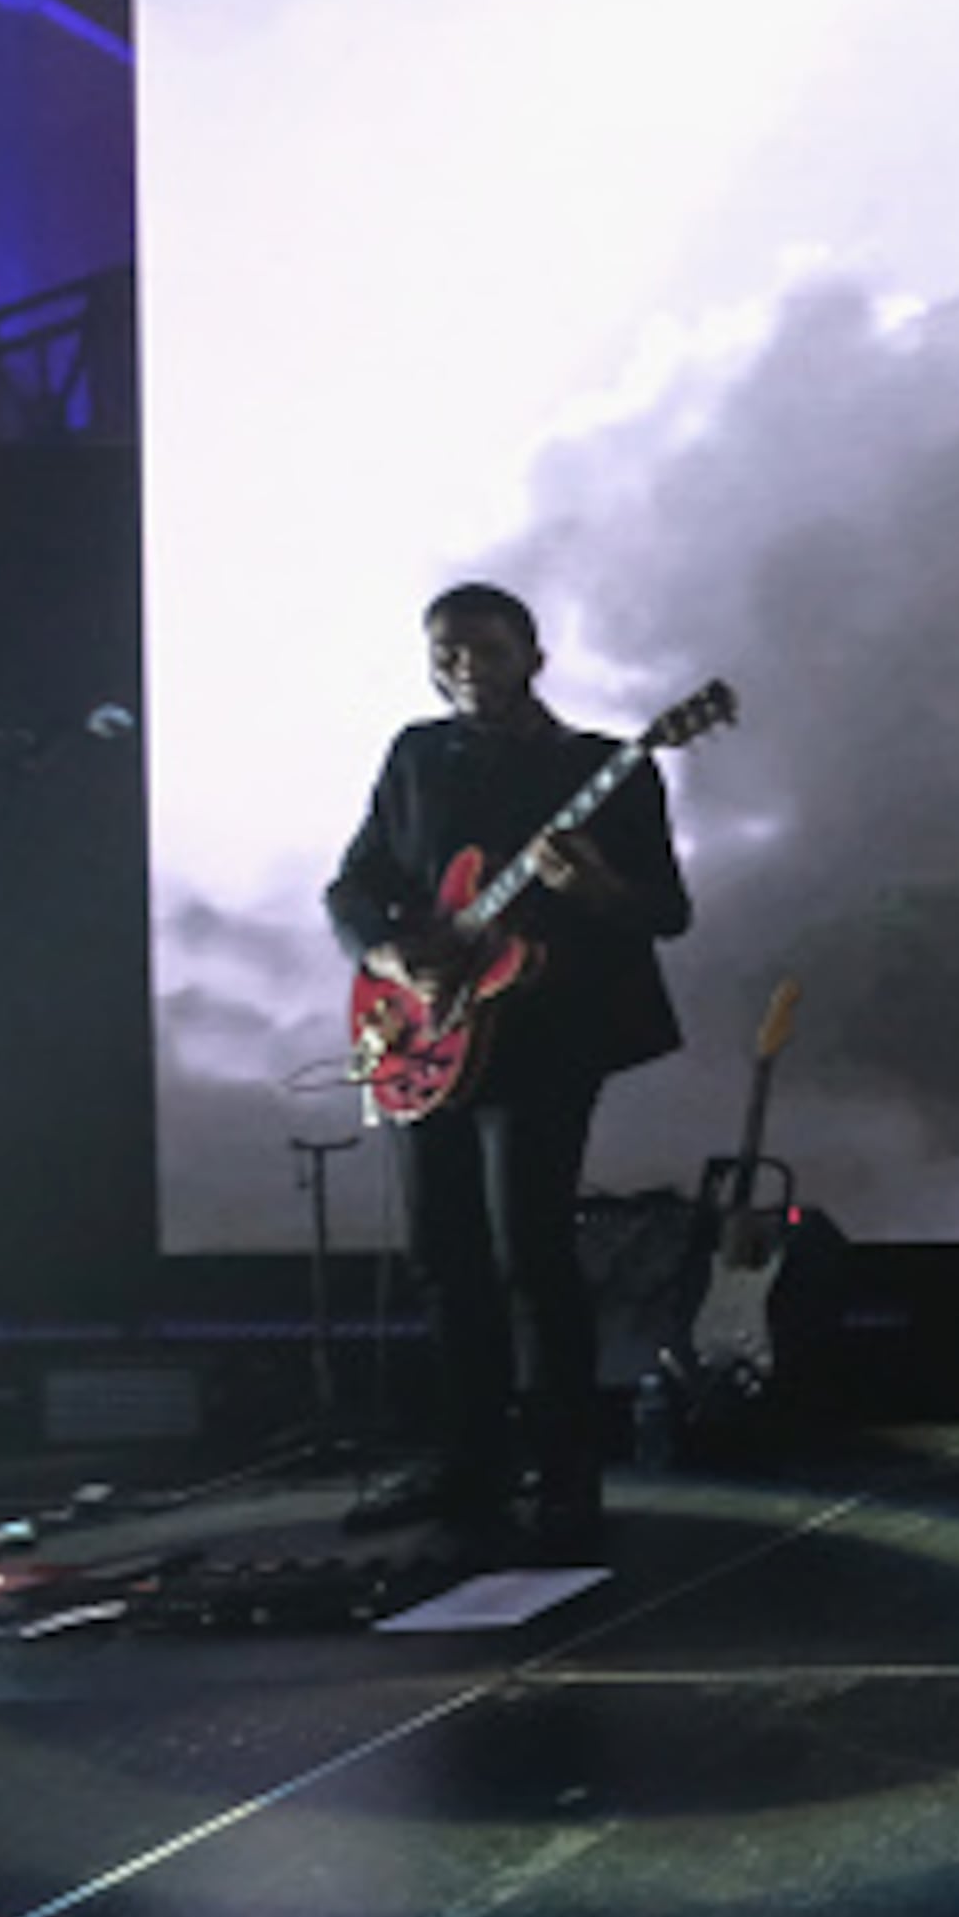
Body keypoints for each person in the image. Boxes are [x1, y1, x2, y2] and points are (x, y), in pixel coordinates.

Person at [325, 583, 692, 1557]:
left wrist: (598, 886)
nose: (462, 671)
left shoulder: (602, 768)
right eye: (445, 653)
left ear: (534, 655)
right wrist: (389, 959)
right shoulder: (415, 755)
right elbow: (356, 882)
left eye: (484, 651)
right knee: (445, 1259)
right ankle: (470, 1460)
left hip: (548, 1039)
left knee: (531, 1251)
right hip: (428, 1032)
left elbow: (665, 910)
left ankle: (568, 1473)